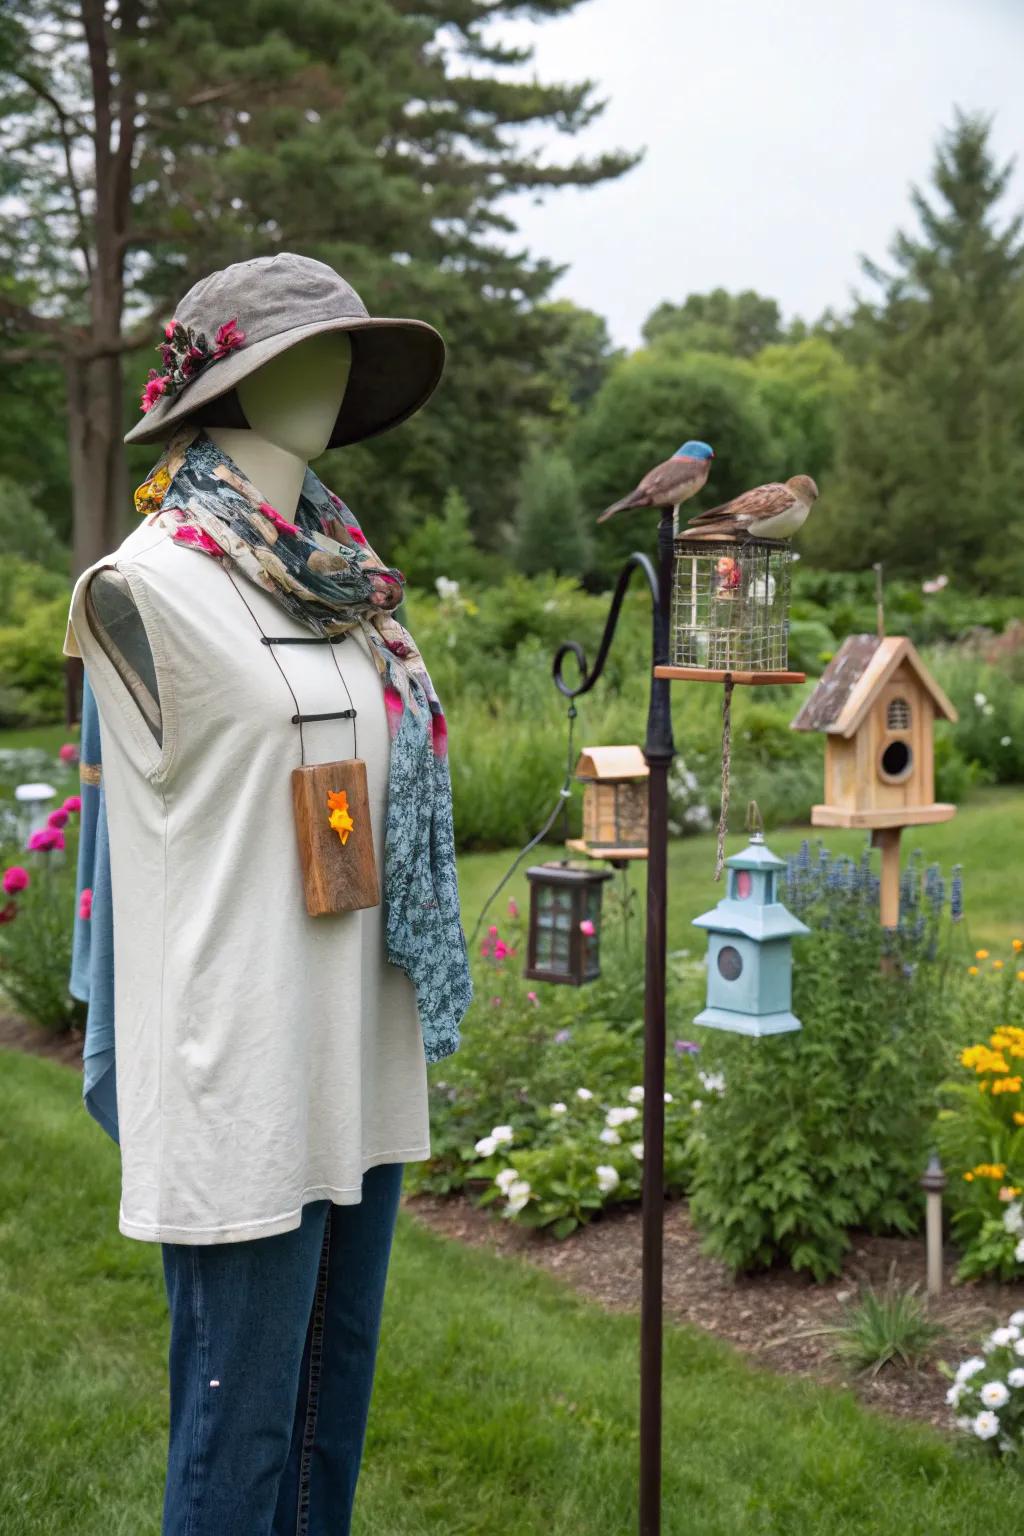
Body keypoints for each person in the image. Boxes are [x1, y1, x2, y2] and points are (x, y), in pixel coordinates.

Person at [65, 252, 472, 1536]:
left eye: (348, 348)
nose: (337, 372)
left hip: (355, 1046)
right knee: (238, 1445)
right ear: (226, 384)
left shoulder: (346, 584)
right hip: (237, 1071)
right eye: (306, 351)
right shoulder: (144, 588)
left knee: (325, 1423)